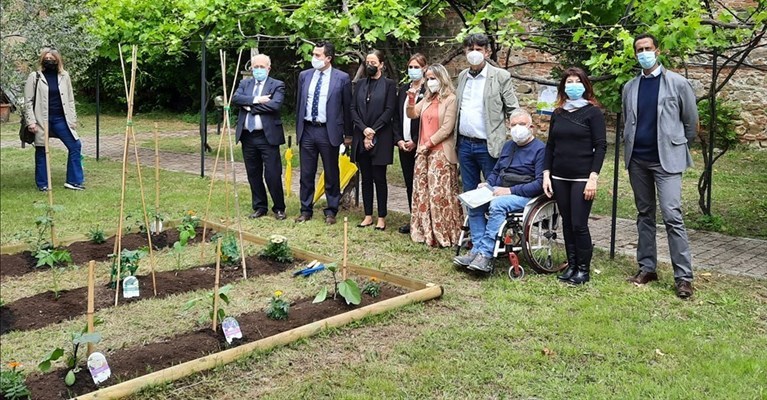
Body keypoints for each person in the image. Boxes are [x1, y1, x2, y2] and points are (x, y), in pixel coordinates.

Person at [622, 33, 698, 299]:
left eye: (648, 48)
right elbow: (628, 121)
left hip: (667, 161)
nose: (644, 52)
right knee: (644, 214)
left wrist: (674, 144)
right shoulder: (630, 86)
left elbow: (691, 123)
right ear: (635, 54)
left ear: (658, 51)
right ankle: (647, 267)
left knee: (672, 215)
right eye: (639, 49)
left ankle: (684, 277)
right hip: (637, 160)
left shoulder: (678, 83)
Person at [453, 109, 545, 272]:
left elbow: (539, 184)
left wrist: (509, 191)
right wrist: (487, 184)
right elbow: (497, 172)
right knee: (473, 202)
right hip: (501, 188)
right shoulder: (509, 146)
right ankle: (477, 251)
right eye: (514, 125)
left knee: (497, 204)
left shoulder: (540, 150)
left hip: (526, 195)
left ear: (531, 127)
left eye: (522, 124)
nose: (517, 128)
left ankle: (486, 254)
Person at [542, 67, 607, 285]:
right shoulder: (558, 113)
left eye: (576, 81)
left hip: (582, 177)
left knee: (579, 224)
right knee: (567, 223)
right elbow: (550, 146)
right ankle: (571, 264)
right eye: (568, 82)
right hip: (560, 176)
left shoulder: (593, 113)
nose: (572, 85)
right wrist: (546, 174)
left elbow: (601, 146)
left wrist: (593, 177)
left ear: (585, 85)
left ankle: (583, 269)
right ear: (563, 87)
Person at [455, 33, 519, 251]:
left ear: (487, 52)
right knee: (472, 195)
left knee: (492, 195)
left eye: (479, 49)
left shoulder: (500, 76)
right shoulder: (463, 76)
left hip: (489, 146)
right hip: (464, 144)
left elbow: (513, 109)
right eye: (470, 48)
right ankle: (478, 244)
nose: (474, 52)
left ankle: (492, 244)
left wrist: (520, 131)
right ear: (465, 51)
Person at [295, 41, 352, 225]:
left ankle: (331, 210)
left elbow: (347, 107)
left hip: (328, 131)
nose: (314, 58)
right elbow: (299, 104)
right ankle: (305, 209)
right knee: (306, 172)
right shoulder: (304, 76)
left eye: (318, 55)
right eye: (313, 54)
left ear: (328, 58)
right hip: (308, 129)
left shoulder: (341, 78)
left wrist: (348, 134)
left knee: (331, 172)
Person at [406, 64, 463, 247]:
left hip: (440, 153)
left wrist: (428, 144)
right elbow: (412, 114)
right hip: (423, 152)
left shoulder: (451, 99)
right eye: (428, 78)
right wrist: (412, 100)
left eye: (433, 78)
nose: (430, 82)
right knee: (422, 193)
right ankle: (425, 231)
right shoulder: (428, 99)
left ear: (442, 79)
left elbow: (447, 128)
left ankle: (444, 233)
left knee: (439, 195)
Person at [232, 54, 287, 220]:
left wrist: (250, 107)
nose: (258, 70)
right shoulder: (245, 83)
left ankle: (279, 207)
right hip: (248, 136)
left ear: (268, 68)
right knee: (253, 173)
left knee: (272, 173)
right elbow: (236, 98)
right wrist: (258, 100)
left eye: (262, 67)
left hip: (267, 137)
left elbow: (275, 105)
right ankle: (260, 206)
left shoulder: (277, 85)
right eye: (255, 67)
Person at [23, 47, 84, 191]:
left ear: (58, 60)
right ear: (42, 60)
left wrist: (72, 120)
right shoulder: (35, 76)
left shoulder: (64, 76)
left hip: (60, 119)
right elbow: (28, 101)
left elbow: (70, 100)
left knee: (75, 146)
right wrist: (31, 121)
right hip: (41, 120)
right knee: (42, 150)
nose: (49, 61)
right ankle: (43, 184)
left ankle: (73, 181)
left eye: (52, 59)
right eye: (46, 58)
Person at [350, 50, 397, 231]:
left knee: (380, 178)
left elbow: (389, 110)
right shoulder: (360, 84)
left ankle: (382, 217)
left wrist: (373, 131)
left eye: (373, 62)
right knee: (366, 178)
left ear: (381, 64)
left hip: (381, 136)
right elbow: (353, 109)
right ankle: (368, 215)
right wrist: (364, 130)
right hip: (361, 136)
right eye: (367, 62)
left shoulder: (389, 85)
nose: (370, 65)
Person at [394, 53, 428, 235]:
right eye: (411, 67)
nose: (413, 70)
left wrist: (415, 141)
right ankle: (413, 218)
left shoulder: (428, 90)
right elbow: (397, 117)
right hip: (403, 144)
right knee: (409, 183)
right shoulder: (403, 89)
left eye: (416, 67)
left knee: (421, 183)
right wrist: (399, 139)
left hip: (420, 144)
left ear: (424, 68)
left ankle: (424, 219)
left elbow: (425, 120)